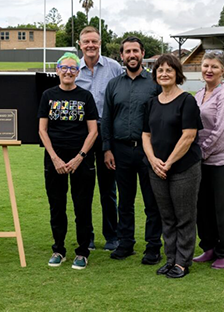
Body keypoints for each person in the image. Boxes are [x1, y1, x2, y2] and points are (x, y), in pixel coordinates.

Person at [101, 36, 163, 264]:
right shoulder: (114, 85)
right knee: (125, 202)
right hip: (120, 151)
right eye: (127, 52)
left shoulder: (154, 83)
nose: (132, 55)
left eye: (135, 51)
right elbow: (106, 118)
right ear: (122, 56)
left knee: (151, 201)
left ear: (142, 53)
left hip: (148, 151)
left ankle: (153, 247)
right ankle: (125, 243)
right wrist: (107, 149)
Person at [142, 54, 203, 279]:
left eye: (169, 70)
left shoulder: (187, 101)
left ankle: (182, 262)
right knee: (166, 217)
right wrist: (153, 161)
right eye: (160, 70)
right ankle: (170, 259)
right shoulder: (151, 103)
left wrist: (168, 163)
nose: (164, 74)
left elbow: (189, 136)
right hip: (157, 169)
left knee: (184, 216)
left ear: (178, 74)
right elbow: (145, 135)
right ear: (155, 75)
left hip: (183, 168)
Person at [38, 52, 98, 270]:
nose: (68, 72)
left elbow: (93, 131)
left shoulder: (85, 97)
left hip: (81, 159)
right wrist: (54, 157)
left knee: (82, 206)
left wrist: (79, 158)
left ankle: (82, 252)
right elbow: (42, 130)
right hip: (54, 159)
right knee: (57, 206)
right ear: (57, 70)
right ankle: (58, 250)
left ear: (78, 72)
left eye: (73, 68)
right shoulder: (48, 95)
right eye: (64, 67)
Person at [193, 51, 224, 270]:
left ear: (222, 70)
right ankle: (210, 247)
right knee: (202, 207)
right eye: (205, 65)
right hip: (202, 161)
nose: (209, 70)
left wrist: (201, 152)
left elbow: (221, 132)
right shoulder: (198, 95)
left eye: (214, 66)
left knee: (221, 208)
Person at [75, 26, 123, 251]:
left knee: (108, 189)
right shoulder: (73, 68)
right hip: (82, 134)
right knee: (83, 188)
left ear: (100, 42)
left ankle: (112, 236)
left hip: (107, 133)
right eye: (86, 42)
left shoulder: (113, 67)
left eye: (94, 41)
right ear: (80, 44)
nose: (90, 45)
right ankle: (87, 236)